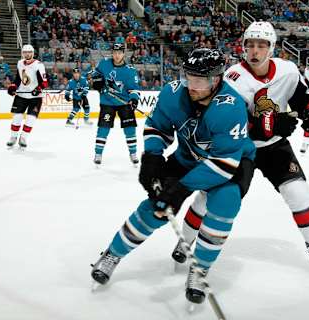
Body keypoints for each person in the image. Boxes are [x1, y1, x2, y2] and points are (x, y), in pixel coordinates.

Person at [90, 48, 256, 304]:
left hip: (230, 162)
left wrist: (180, 190)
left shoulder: (231, 107)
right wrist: (152, 159)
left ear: (217, 80)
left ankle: (200, 269)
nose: (192, 85)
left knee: (225, 204)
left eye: (199, 80)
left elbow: (223, 164)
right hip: (188, 158)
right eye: (189, 77)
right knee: (156, 206)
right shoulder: (173, 92)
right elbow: (158, 126)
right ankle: (112, 253)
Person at [171, 22, 309, 273]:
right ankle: (185, 241)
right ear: (243, 47)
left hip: (274, 147)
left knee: (299, 193)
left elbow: (306, 99)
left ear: (272, 48)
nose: (255, 51)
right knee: (209, 197)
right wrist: (268, 123)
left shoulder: (288, 71)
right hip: (239, 147)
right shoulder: (233, 78)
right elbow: (225, 120)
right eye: (250, 45)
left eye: (261, 45)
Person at [90, 43, 140, 165]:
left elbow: (134, 89)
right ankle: (98, 153)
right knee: (103, 127)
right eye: (115, 53)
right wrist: (96, 82)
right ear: (112, 53)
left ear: (123, 54)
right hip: (107, 101)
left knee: (130, 128)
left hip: (124, 102)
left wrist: (134, 99)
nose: (117, 55)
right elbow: (94, 75)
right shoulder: (104, 64)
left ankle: (133, 153)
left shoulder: (130, 71)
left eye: (120, 53)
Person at [6, 44, 48, 149]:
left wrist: (38, 89)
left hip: (36, 98)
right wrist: (13, 87)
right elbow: (18, 79)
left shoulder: (39, 65)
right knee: (17, 118)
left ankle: (23, 137)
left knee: (31, 119)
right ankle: (13, 137)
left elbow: (45, 82)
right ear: (22, 53)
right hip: (21, 95)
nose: (27, 54)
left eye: (29, 52)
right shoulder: (20, 63)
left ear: (33, 53)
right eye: (25, 52)